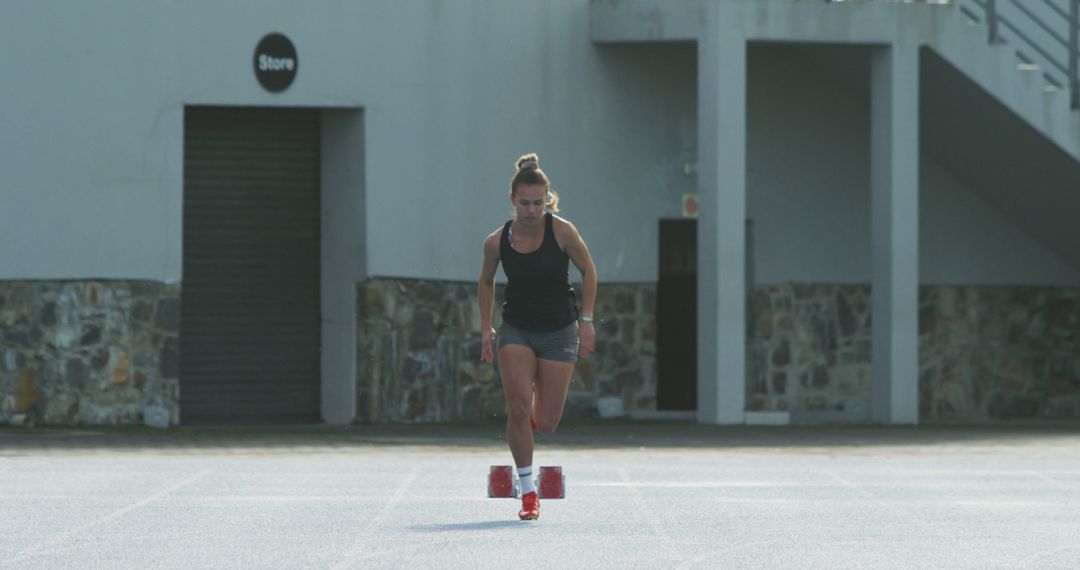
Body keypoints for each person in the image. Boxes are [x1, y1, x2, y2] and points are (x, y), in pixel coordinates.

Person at [477, 153, 597, 521]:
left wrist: (587, 320)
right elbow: (485, 281)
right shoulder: (497, 242)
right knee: (516, 408)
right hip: (517, 328)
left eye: (538, 203)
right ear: (512, 200)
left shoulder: (562, 231)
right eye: (525, 203)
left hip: (559, 331)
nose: (531, 210)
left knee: (545, 423)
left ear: (547, 200)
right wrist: (486, 328)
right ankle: (528, 493)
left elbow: (589, 270)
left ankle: (528, 405)